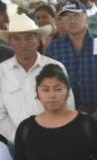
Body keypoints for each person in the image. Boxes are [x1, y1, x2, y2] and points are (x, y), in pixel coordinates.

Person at [0, 13, 73, 144]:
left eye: (29, 37)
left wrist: (58, 132)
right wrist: (18, 137)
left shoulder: (55, 67)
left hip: (55, 138)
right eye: (17, 39)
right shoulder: (2, 71)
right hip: (17, 143)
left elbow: (68, 103)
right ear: (10, 42)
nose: (23, 44)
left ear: (38, 39)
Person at [47, 0, 97, 125]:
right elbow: (50, 82)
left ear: (86, 17)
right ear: (62, 21)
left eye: (76, 15)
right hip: (66, 112)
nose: (72, 21)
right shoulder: (54, 48)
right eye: (67, 17)